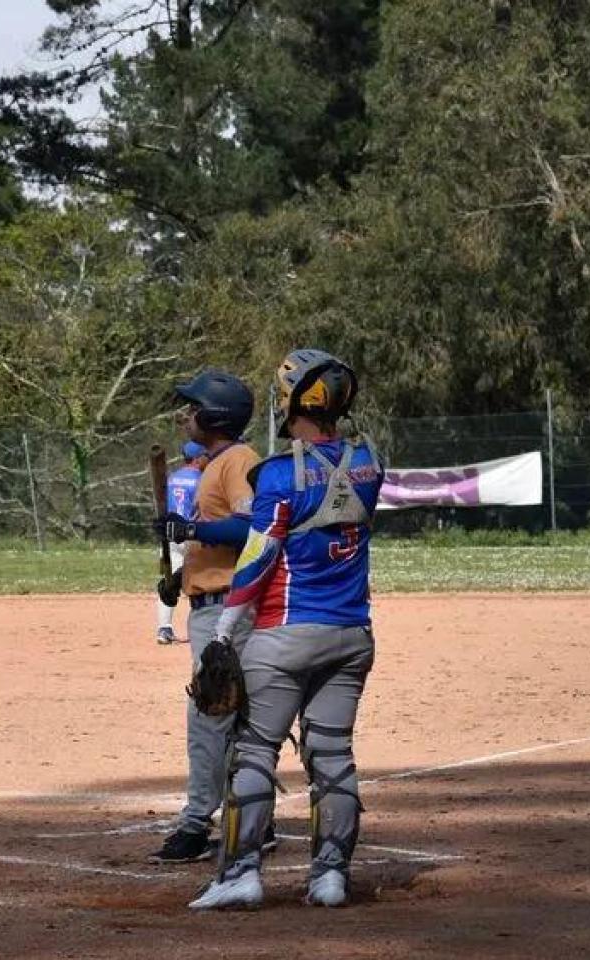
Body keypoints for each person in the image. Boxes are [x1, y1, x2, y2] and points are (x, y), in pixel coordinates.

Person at [188, 348, 384, 911]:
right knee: (332, 756)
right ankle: (330, 877)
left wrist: (225, 630)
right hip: (351, 633)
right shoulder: (369, 463)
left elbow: (257, 558)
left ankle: (241, 874)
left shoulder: (276, 473)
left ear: (294, 399)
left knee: (251, 753)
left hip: (284, 633)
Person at [148, 370, 264, 864]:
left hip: (227, 612)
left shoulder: (237, 461)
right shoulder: (216, 464)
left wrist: (192, 526)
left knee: (211, 717)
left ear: (214, 416)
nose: (185, 415)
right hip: (212, 601)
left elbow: (253, 526)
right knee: (234, 721)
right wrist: (182, 575)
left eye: (193, 407)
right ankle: (257, 822)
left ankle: (196, 826)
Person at [154, 442, 207, 644]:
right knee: (201, 581)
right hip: (193, 535)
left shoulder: (171, 479)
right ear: (198, 458)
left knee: (168, 581)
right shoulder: (202, 479)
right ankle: (202, 629)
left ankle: (164, 628)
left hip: (170, 537)